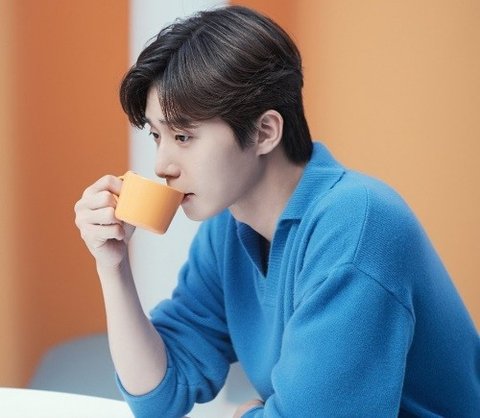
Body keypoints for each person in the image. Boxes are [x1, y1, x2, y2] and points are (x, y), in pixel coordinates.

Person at [74, 5, 480, 418]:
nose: (162, 165)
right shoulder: (227, 227)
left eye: (183, 136)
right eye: (157, 135)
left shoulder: (357, 226)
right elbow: (160, 395)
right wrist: (113, 267)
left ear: (265, 131)